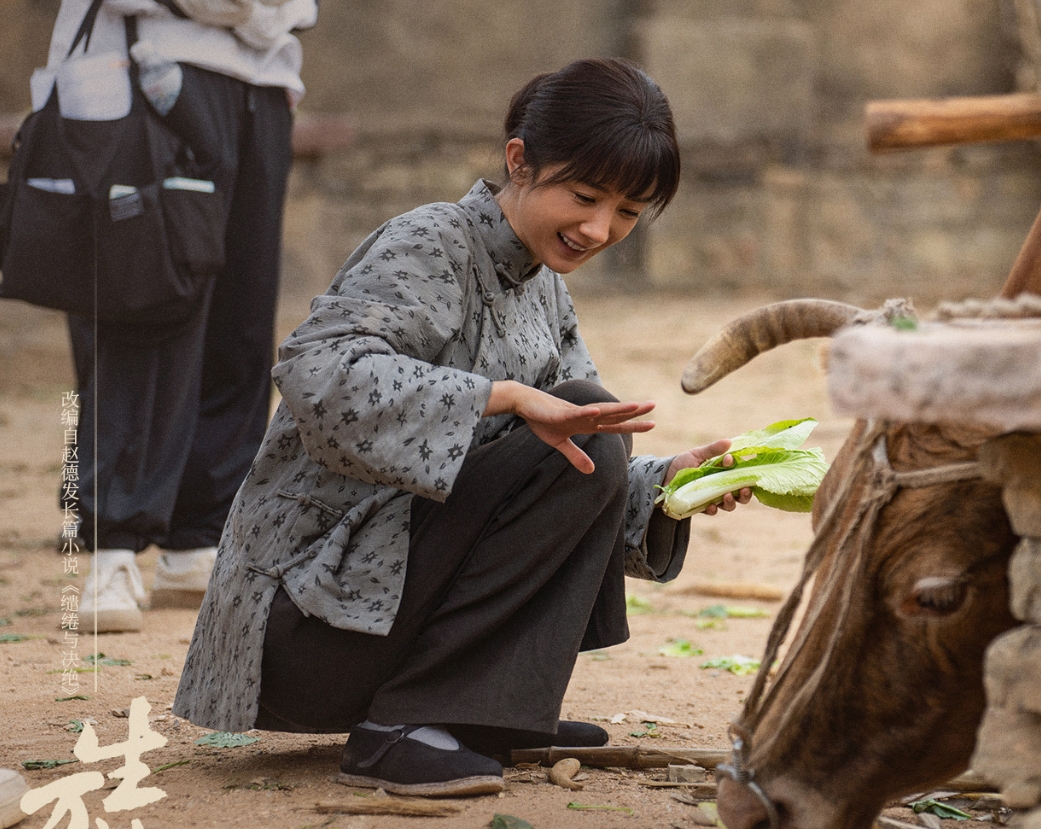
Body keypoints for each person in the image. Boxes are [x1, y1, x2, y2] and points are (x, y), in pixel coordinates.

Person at [173, 57, 751, 796]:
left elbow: (561, 456)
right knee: (587, 420)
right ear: (519, 159)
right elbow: (316, 373)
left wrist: (673, 487)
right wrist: (500, 396)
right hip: (302, 627)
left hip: (376, 626)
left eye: (627, 213)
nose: (599, 228)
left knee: (597, 434)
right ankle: (402, 731)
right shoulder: (429, 242)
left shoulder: (542, 286)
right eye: (583, 195)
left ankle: (483, 712)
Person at [36, 0, 318, 631]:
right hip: (153, 73)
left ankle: (198, 538)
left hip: (263, 86)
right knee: (151, 308)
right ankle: (111, 550)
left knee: (242, 321)